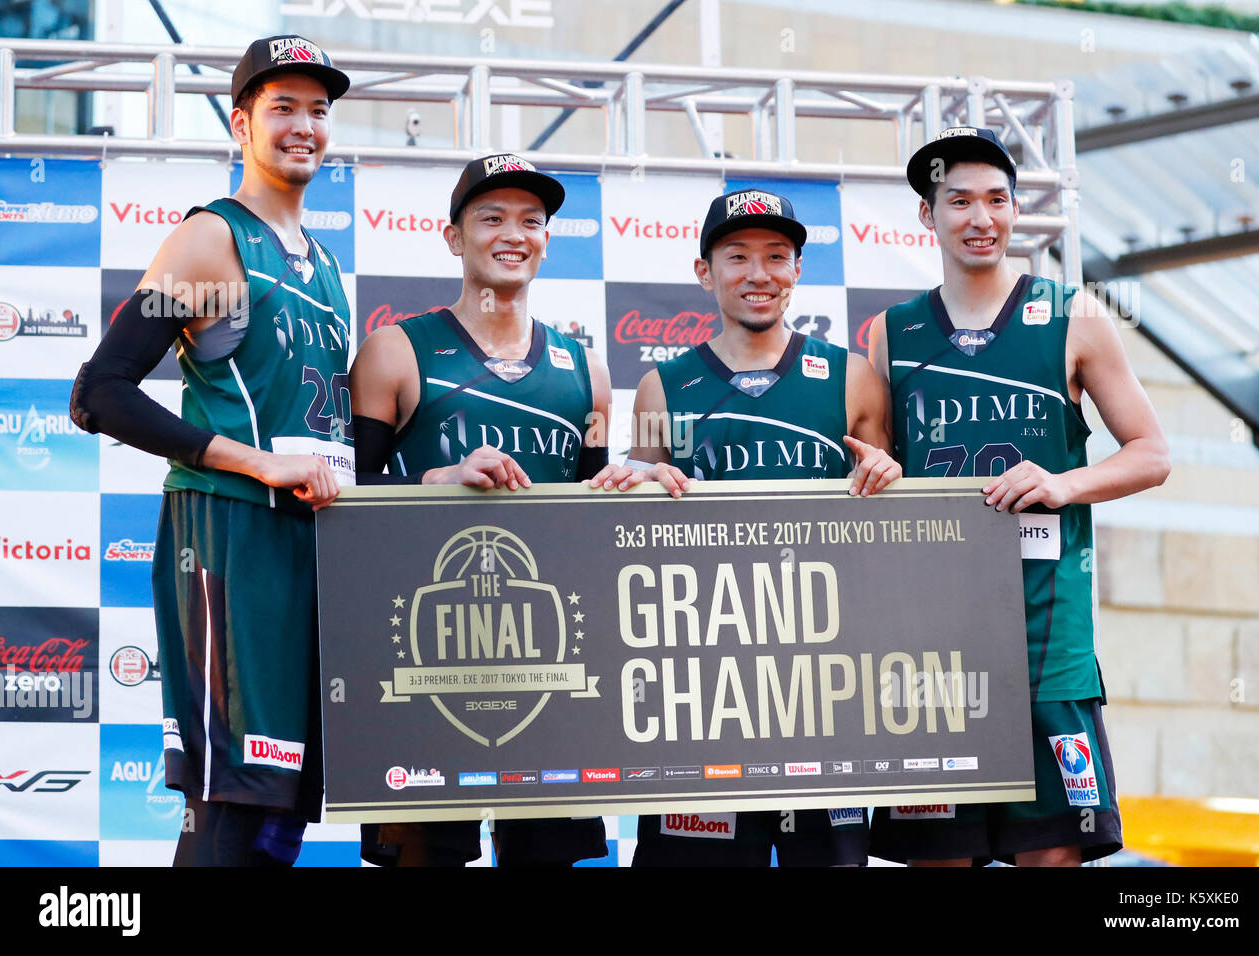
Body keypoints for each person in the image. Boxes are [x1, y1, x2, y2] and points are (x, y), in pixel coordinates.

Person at [69, 35, 355, 866]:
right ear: (240, 124)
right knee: (230, 807)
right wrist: (256, 461)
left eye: (318, 109)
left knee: (279, 815)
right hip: (226, 540)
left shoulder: (326, 264)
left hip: (305, 546)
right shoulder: (213, 240)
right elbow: (99, 392)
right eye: (282, 108)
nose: (304, 125)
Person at [865, 126, 1170, 866]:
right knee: (938, 855)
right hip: (935, 645)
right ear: (927, 217)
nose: (981, 218)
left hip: (1046, 637)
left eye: (997, 200)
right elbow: (871, 479)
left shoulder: (1073, 315)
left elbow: (1152, 453)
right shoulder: (890, 334)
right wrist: (876, 478)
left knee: (1053, 855)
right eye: (960, 200)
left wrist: (1062, 482)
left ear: (1015, 210)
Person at [350, 153, 616, 867]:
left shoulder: (586, 371)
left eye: (531, 220)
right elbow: (338, 510)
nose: (513, 233)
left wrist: (633, 488)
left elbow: (590, 521)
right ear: (453, 237)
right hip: (422, 664)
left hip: (550, 668)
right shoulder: (395, 350)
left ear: (548, 240)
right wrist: (433, 481)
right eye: (491, 217)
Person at [623, 187, 901, 867]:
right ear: (704, 271)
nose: (759, 274)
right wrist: (636, 484)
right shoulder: (665, 386)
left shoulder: (852, 378)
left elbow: (897, 529)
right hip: (703, 692)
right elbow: (630, 532)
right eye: (738, 256)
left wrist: (891, 482)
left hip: (823, 688)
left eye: (777, 256)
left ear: (799, 269)